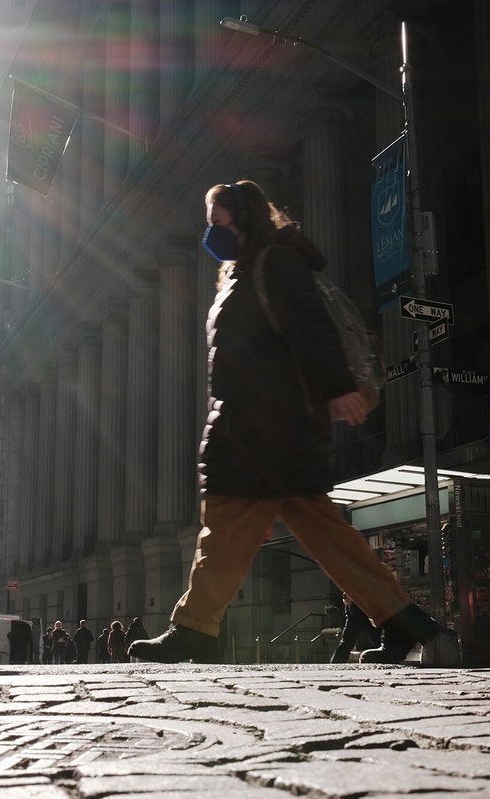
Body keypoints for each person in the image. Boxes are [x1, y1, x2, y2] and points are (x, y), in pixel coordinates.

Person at [128, 181, 459, 666]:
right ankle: (405, 622)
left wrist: (339, 387)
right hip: (267, 425)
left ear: (245, 219)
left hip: (265, 427)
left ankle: (195, 630)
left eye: (218, 222)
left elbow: (311, 325)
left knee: (225, 523)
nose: (211, 232)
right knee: (323, 533)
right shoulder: (243, 272)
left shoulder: (274, 264)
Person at [331, 592, 379, 663]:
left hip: (361, 605)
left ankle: (336, 663)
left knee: (347, 642)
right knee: (347, 641)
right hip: (360, 606)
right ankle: (336, 663)